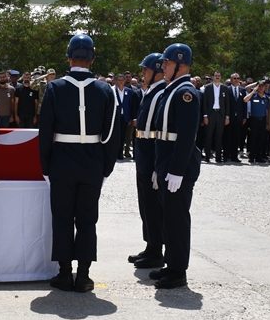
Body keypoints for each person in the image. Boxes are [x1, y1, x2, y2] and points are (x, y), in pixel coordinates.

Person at [38, 34, 123, 293]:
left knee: (62, 218)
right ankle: (84, 276)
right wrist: (106, 167)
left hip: (62, 158)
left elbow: (45, 132)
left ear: (69, 57)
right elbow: (112, 133)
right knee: (87, 220)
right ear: (93, 59)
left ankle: (65, 273)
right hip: (93, 160)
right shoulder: (105, 89)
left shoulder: (56, 87)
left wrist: (46, 167)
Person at [149, 43, 201, 290]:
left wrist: (177, 170)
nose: (163, 67)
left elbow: (187, 136)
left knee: (177, 219)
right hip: (166, 163)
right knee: (168, 219)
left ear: (181, 64)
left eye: (168, 63)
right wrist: (159, 168)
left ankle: (179, 270)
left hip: (177, 166)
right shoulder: (173, 90)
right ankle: (171, 264)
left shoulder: (186, 93)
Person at [129, 53, 167, 269]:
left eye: (146, 69)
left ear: (158, 71)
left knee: (152, 206)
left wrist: (155, 166)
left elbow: (158, 130)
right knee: (145, 204)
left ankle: (156, 250)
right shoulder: (151, 92)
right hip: (143, 153)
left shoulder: (160, 92)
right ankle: (150, 245)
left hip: (150, 156)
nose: (142, 73)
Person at [200, 72, 226, 163]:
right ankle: (207, 156)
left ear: (221, 77)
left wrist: (227, 117)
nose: (217, 77)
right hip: (210, 114)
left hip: (221, 114)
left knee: (219, 137)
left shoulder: (224, 88)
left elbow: (227, 103)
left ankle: (218, 157)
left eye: (219, 76)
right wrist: (205, 116)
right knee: (209, 136)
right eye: (216, 76)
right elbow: (205, 103)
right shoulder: (208, 88)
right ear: (213, 77)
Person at [243, 81, 270, 163]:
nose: (261, 88)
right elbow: (245, 100)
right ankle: (251, 156)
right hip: (254, 120)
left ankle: (259, 156)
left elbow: (267, 110)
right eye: (259, 86)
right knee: (252, 139)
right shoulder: (253, 96)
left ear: (265, 87)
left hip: (262, 120)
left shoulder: (266, 98)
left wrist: (268, 122)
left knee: (261, 139)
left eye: (262, 86)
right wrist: (254, 90)